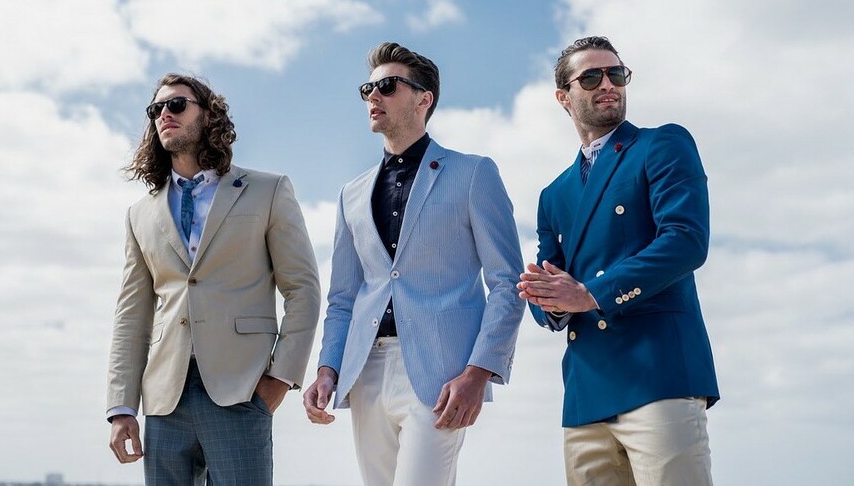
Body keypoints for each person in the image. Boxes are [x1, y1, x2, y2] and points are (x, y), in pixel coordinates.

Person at [303, 42, 525, 486]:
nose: (373, 96)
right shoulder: (352, 192)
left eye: (386, 86)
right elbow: (344, 298)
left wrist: (478, 373)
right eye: (368, 87)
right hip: (365, 371)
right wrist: (328, 369)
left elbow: (506, 283)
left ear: (424, 99)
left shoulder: (473, 174)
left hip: (442, 374)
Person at [518, 36, 720, 485]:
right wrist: (547, 299)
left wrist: (590, 293)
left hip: (659, 376)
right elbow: (549, 288)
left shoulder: (663, 144)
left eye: (616, 74)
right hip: (586, 393)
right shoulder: (554, 195)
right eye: (591, 76)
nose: (607, 84)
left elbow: (686, 241)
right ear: (563, 97)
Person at [106, 73, 321, 485]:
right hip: (165, 400)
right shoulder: (140, 214)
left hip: (241, 392)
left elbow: (303, 289)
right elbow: (131, 316)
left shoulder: (267, 190)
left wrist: (278, 380)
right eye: (156, 110)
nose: (164, 114)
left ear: (209, 116)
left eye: (177, 105)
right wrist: (121, 407)